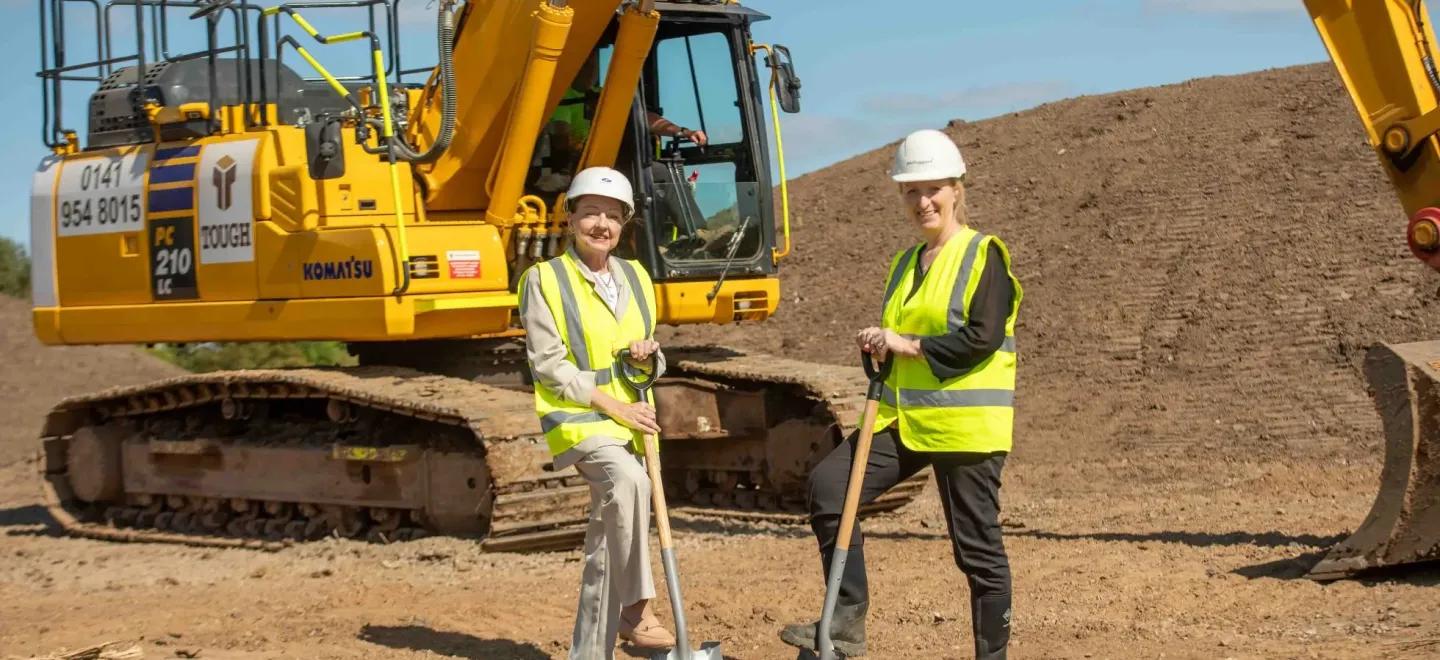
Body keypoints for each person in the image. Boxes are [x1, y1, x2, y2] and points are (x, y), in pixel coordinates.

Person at [778, 129, 1024, 660]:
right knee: (829, 488)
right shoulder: (905, 264)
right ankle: (844, 622)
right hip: (907, 422)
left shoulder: (985, 255)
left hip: (964, 428)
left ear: (957, 189)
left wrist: (906, 345)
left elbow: (979, 339)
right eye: (911, 191)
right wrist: (879, 344)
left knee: (976, 550)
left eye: (932, 188)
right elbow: (901, 340)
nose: (922, 201)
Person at [518, 166, 676, 659]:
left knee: (611, 538)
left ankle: (590, 653)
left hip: (630, 418)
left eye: (612, 215)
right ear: (570, 219)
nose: (601, 224)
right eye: (591, 213)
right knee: (630, 484)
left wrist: (647, 357)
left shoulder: (636, 276)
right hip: (580, 421)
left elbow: (653, 354)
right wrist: (614, 407)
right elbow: (548, 366)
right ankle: (639, 605)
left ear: (625, 223)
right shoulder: (543, 279)